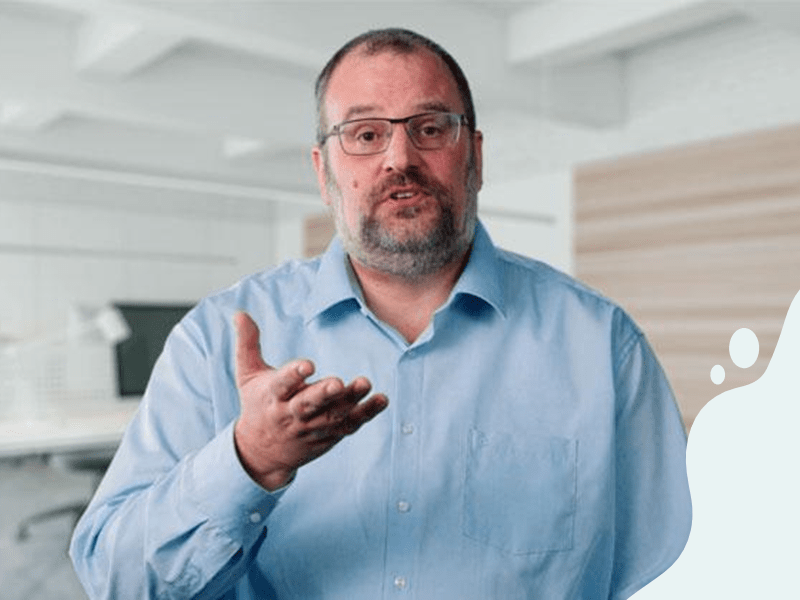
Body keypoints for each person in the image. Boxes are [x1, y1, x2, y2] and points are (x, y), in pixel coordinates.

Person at [70, 28, 691, 600]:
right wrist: (249, 459)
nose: (399, 158)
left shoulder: (602, 345)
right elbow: (116, 581)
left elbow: (675, 575)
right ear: (324, 171)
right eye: (365, 135)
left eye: (431, 128)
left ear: (474, 157)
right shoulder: (215, 339)